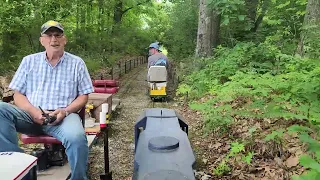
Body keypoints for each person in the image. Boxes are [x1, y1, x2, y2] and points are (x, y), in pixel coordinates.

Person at [0, 20, 94, 180]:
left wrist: (65, 111)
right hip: (31, 117)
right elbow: (18, 94)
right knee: (1, 109)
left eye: (58, 35)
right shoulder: (28, 61)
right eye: (49, 35)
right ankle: (19, 169)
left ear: (65, 39)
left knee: (77, 138)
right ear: (41, 40)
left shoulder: (77, 63)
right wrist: (33, 111)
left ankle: (79, 178)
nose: (53, 40)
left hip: (63, 117)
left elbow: (84, 95)